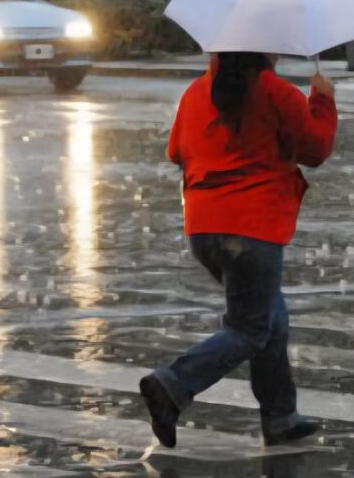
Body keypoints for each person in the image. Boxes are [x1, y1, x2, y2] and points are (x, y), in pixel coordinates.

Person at [139, 52, 338, 448]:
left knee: (271, 318)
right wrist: (323, 101)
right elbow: (315, 150)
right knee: (250, 328)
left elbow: (176, 152)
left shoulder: (196, 92)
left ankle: (280, 416)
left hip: (204, 227)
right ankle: (174, 383)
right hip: (253, 227)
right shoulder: (276, 92)